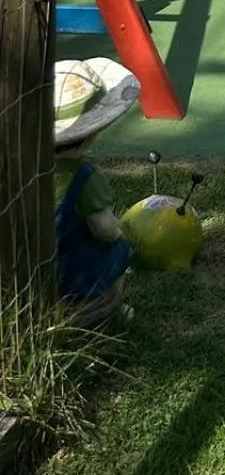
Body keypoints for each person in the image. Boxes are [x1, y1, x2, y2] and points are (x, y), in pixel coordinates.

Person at [54, 58, 141, 327]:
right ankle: (109, 306)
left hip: (29, 266)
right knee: (119, 249)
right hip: (74, 274)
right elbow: (103, 227)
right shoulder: (84, 178)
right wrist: (117, 234)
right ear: (93, 132)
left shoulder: (23, 171)